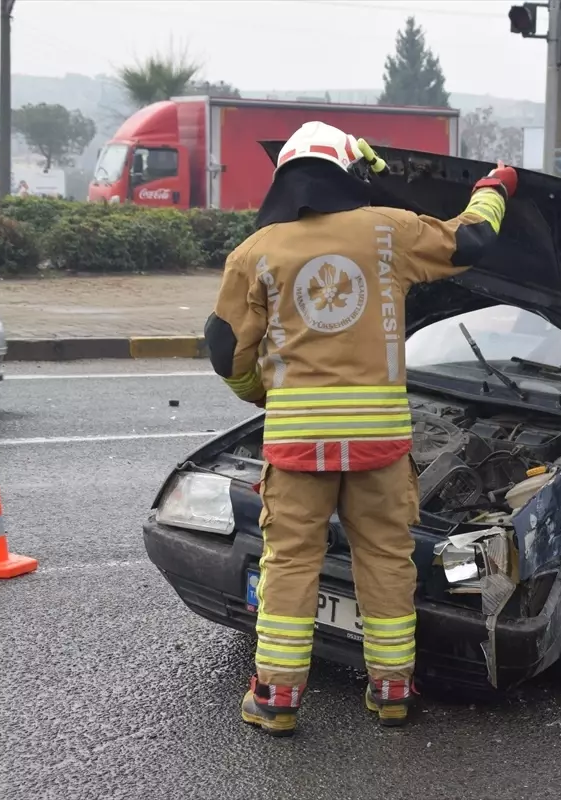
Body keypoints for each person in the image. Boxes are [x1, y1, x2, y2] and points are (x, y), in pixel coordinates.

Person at [205, 121, 517, 735]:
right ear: (350, 171)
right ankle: (393, 691)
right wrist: (495, 188)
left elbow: (226, 353)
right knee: (386, 560)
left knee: (291, 562)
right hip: (379, 444)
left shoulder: (256, 251)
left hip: (298, 447)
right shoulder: (390, 231)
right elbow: (472, 240)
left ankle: (275, 699)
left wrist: (263, 395)